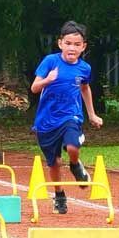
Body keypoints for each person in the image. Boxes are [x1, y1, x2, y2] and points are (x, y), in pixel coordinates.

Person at [31, 20, 103, 215]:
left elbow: (85, 88)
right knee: (53, 163)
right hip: (46, 121)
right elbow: (34, 87)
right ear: (60, 43)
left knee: (72, 146)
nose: (72, 48)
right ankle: (59, 195)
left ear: (83, 47)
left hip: (71, 116)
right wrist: (48, 80)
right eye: (68, 43)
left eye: (77, 44)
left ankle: (75, 164)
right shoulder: (50, 61)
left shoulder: (84, 68)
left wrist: (92, 114)